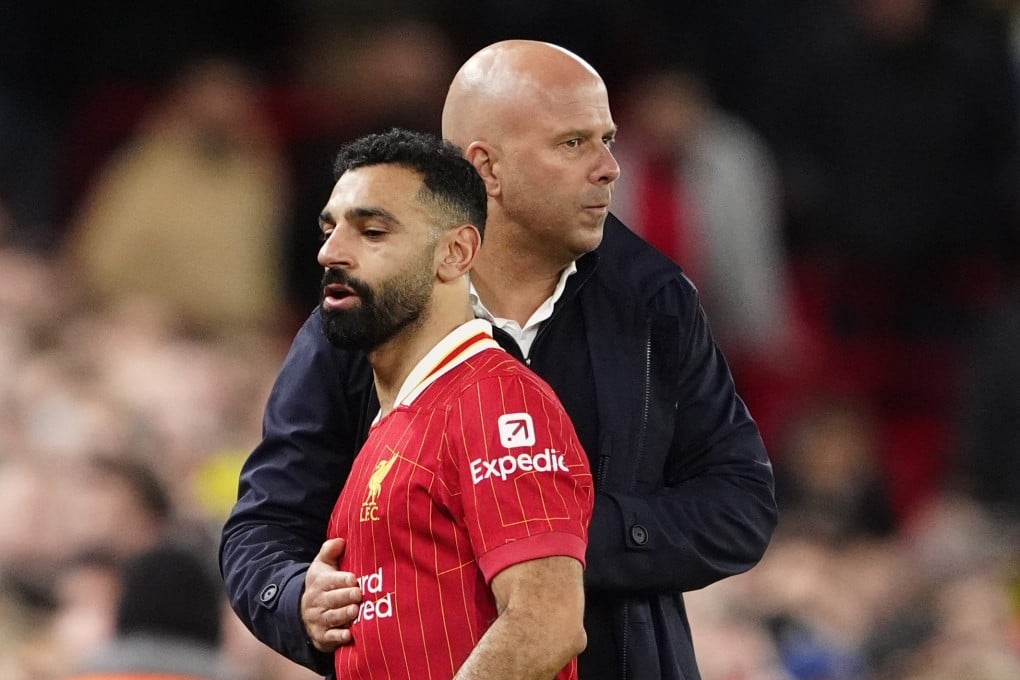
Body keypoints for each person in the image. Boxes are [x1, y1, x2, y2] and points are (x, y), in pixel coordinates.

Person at [221, 40, 778, 680]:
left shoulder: (656, 300)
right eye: (574, 143)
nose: (610, 168)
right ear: (485, 168)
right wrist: (295, 598)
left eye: (608, 138)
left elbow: (740, 505)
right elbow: (262, 526)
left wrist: (548, 533)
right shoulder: (364, 311)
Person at [312, 127, 591, 678]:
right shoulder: (394, 422)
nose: (330, 252)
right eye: (329, 229)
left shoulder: (498, 402)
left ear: (455, 253)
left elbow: (547, 620)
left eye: (370, 231)